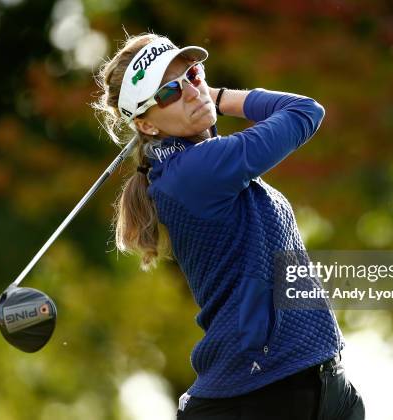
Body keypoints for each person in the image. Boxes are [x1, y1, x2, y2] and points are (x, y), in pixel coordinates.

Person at [94, 33, 365, 420]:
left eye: (192, 74)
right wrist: (218, 97)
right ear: (146, 125)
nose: (191, 90)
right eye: (170, 91)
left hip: (315, 383)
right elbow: (305, 112)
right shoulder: (194, 171)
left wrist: (200, 94)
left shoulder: (194, 163)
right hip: (261, 396)